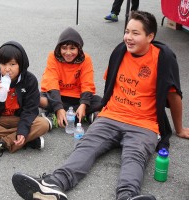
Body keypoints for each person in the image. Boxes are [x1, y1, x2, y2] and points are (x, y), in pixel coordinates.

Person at [12, 11, 189, 200]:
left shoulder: (163, 58)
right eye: (127, 31)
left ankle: (127, 196)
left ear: (150, 36)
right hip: (110, 117)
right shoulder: (120, 51)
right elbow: (110, 86)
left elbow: (174, 96)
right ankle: (53, 185)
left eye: (135, 33)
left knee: (134, 157)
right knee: (86, 146)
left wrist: (179, 128)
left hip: (143, 124)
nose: (128, 37)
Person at [0, 41, 50, 158]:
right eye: (3, 64)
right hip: (0, 119)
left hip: (20, 118)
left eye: (12, 64)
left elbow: (30, 110)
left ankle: (0, 143)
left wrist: (22, 129)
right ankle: (27, 140)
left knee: (43, 124)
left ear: (21, 65)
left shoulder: (30, 80)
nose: (7, 69)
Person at [39, 27, 102, 128]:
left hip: (77, 97)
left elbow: (87, 84)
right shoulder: (52, 56)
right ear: (59, 48)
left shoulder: (86, 59)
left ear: (79, 49)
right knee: (36, 98)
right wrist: (59, 108)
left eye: (72, 48)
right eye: (64, 48)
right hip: (56, 95)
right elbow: (51, 83)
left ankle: (54, 115)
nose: (68, 53)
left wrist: (84, 105)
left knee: (101, 101)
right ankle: (81, 116)